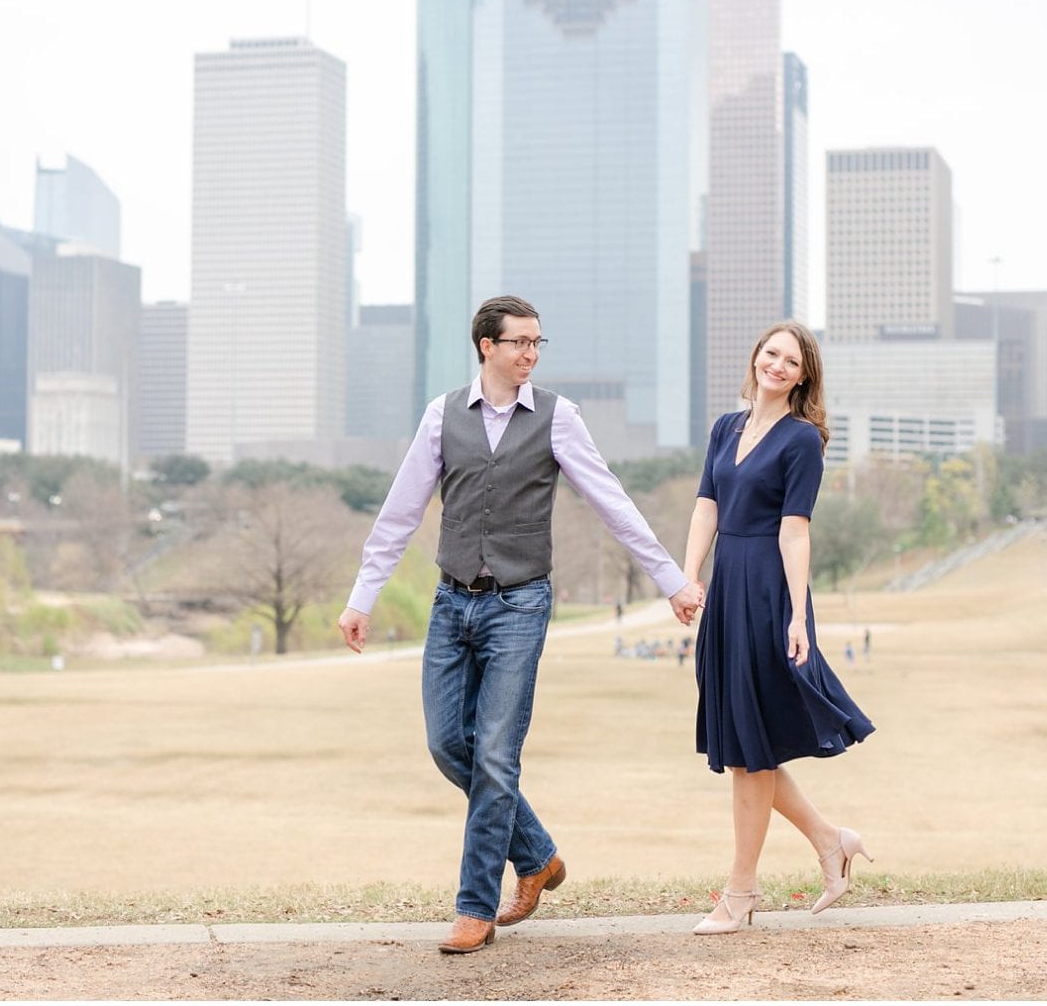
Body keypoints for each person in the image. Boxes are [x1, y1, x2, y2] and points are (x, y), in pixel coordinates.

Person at [339, 295, 704, 955]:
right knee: (449, 744)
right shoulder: (442, 415)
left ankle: (473, 909)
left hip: (519, 604)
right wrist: (363, 596)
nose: (531, 354)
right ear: (486, 345)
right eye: (519, 343)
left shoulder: (559, 418)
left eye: (538, 343)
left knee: (497, 756)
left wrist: (672, 580)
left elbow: (612, 502)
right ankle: (537, 855)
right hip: (452, 604)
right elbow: (399, 513)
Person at [676, 320, 875, 936]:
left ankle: (740, 893)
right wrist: (687, 577)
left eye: (792, 360)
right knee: (746, 748)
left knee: (750, 750)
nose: (778, 365)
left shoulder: (802, 441)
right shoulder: (725, 427)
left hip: (767, 589)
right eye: (771, 354)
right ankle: (829, 840)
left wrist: (796, 614)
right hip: (727, 585)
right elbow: (707, 503)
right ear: (756, 358)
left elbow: (795, 530)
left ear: (804, 375)